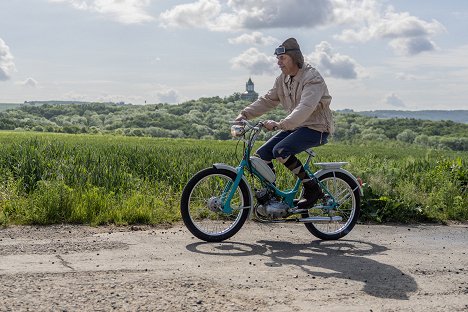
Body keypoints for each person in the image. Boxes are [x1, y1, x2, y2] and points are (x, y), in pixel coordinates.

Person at [235, 37, 334, 209]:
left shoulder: (312, 78)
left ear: (294, 58)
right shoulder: (282, 79)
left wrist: (280, 124)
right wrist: (244, 114)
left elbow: (305, 107)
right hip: (296, 126)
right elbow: (268, 100)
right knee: (264, 153)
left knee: (281, 151)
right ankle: (273, 195)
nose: (278, 62)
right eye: (277, 59)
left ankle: (312, 188)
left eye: (282, 58)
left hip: (317, 128)